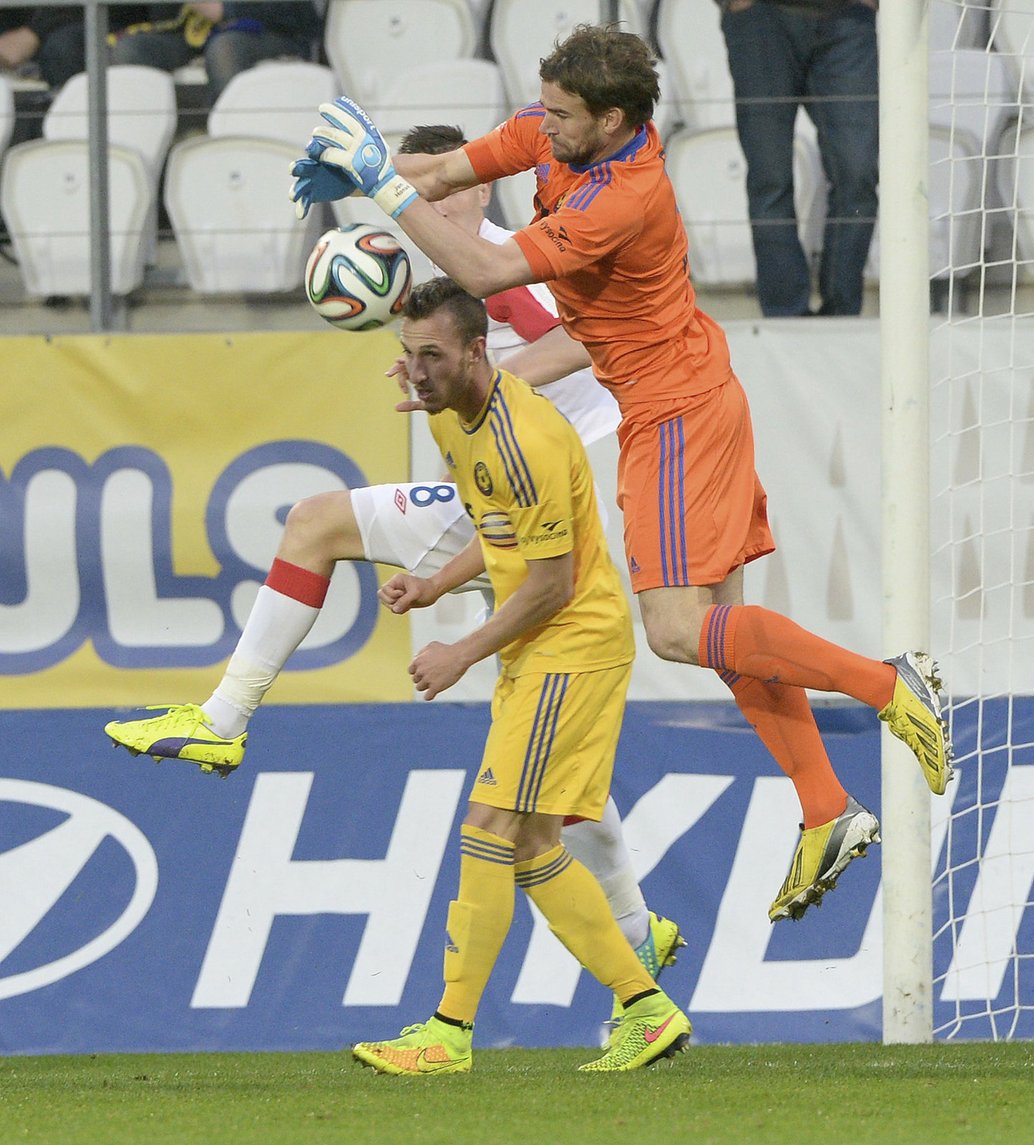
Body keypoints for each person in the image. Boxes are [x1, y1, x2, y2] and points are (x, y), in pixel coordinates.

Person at [289, 22, 954, 926]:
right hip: (682, 392)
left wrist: (380, 180)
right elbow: (449, 175)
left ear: (610, 119)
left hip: (674, 411)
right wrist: (371, 177)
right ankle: (826, 807)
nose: (543, 121)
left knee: (680, 633)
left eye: (561, 113)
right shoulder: (559, 127)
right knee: (725, 634)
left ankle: (889, 685)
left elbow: (482, 266)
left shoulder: (622, 197)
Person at [104, 123, 685, 1021]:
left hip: (556, 489)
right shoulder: (424, 291)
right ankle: (637, 926)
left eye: (450, 193)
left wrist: (488, 378)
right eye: (422, 191)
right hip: (490, 502)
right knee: (545, 748)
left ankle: (225, 717)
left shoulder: (499, 263)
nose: (436, 209)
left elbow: (591, 334)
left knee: (318, 525)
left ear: (477, 196)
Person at [350, 276, 690, 1074]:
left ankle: (449, 1030)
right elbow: (495, 527)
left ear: (478, 350)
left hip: (571, 643)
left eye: (432, 355)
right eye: (409, 354)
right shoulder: (453, 418)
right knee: (534, 842)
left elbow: (551, 581)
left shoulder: (522, 437)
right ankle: (646, 1005)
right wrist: (435, 583)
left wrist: (458, 648)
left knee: (489, 828)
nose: (418, 371)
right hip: (543, 646)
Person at [718, 0, 880, 316]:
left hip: (848, 15)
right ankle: (785, 315)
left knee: (858, 172)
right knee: (770, 178)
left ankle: (843, 313)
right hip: (760, 16)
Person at [108, 2, 320, 102]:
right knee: (129, 50)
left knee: (224, 50)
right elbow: (159, 14)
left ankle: (228, 146)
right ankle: (158, 159)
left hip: (273, 32)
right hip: (194, 32)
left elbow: (299, 12)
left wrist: (226, 9)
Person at [0, 6, 148, 89]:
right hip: (26, 29)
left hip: (116, 20)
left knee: (63, 46)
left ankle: (68, 129)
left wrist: (34, 32)